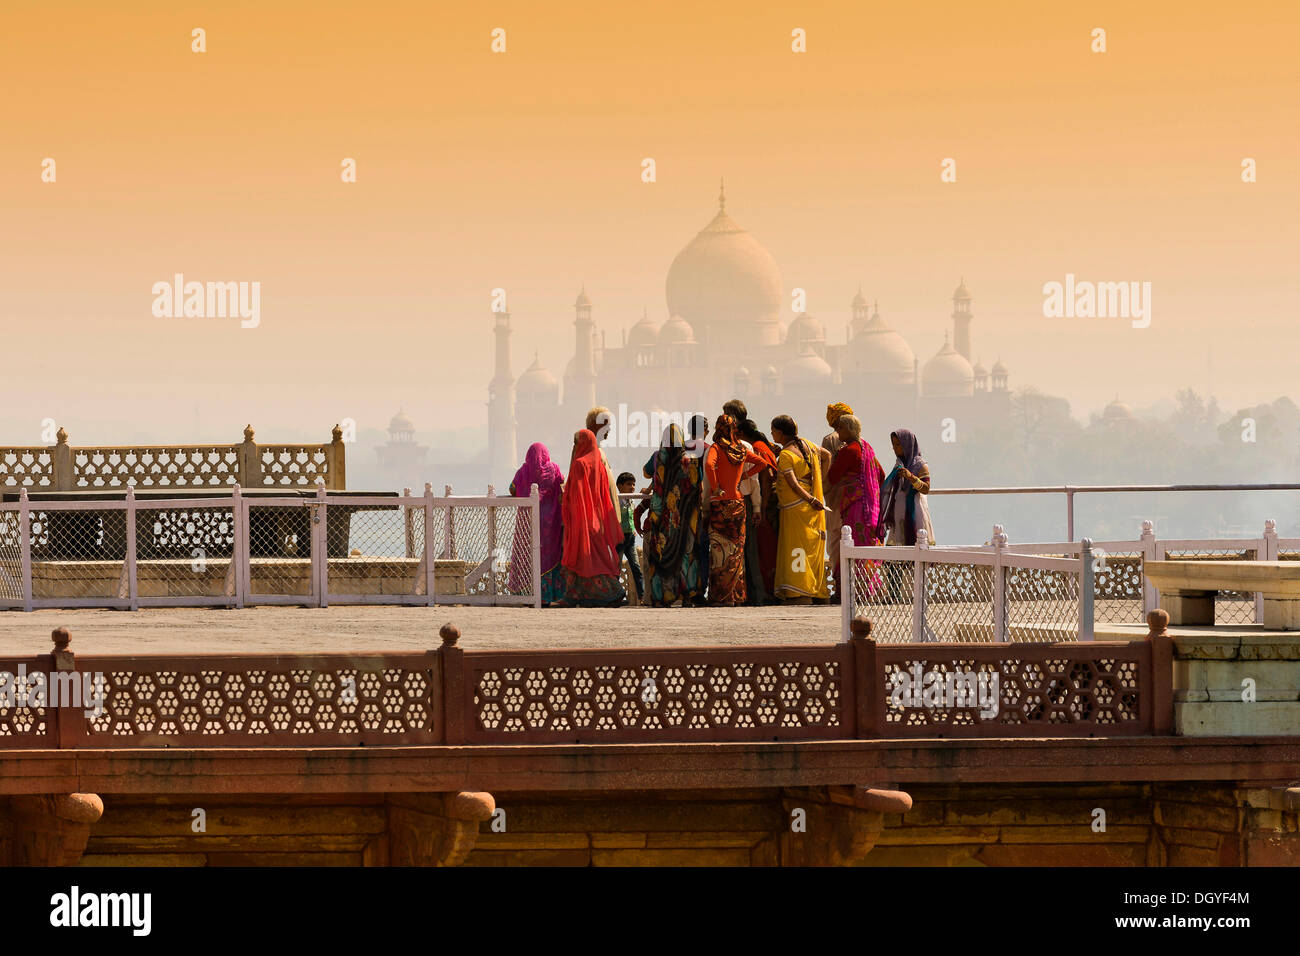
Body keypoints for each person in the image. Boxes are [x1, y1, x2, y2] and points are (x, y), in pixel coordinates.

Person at [704, 414, 772, 606]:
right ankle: (736, 595)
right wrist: (745, 475)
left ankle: (721, 597)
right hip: (738, 504)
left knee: (719, 551)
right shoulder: (740, 449)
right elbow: (762, 463)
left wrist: (716, 485)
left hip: (720, 504)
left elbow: (710, 465)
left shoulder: (717, 448)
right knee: (736, 552)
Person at [638, 423, 705, 606]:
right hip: (685, 517)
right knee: (686, 554)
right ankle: (687, 596)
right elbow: (697, 487)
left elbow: (650, 479)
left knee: (662, 554)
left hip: (664, 518)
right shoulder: (691, 459)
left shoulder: (659, 457)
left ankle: (661, 597)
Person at [558, 429, 626, 607]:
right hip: (598, 520)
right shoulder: (598, 463)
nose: (574, 447)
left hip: (582, 520)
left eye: (576, 443)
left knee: (582, 557)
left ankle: (613, 592)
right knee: (595, 557)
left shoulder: (580, 464)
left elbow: (576, 495)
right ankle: (576, 595)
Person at [770, 415, 831, 604]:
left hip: (796, 507)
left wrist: (809, 498)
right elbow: (827, 456)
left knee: (797, 549)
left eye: (773, 430)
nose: (771, 433)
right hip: (812, 506)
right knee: (811, 547)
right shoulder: (808, 445)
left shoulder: (786, 456)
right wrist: (819, 482)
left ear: (780, 432)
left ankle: (800, 592)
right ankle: (816, 590)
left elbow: (793, 484)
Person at [825, 415, 885, 601]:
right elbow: (881, 475)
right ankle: (868, 590)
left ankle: (850, 591)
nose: (838, 432)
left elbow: (833, 477)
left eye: (841, 428)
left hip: (854, 507)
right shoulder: (867, 448)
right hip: (870, 507)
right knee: (865, 546)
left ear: (850, 430)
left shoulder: (848, 451)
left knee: (851, 547)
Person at [508, 442, 566, 606]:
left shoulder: (523, 471)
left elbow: (512, 488)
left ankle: (528, 594)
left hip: (528, 523)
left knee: (529, 556)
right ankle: (548, 596)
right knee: (549, 556)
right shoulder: (554, 469)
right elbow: (562, 484)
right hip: (551, 524)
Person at [738, 417, 780, 604]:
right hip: (769, 505)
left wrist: (760, 508)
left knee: (758, 551)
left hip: (763, 506)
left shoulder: (756, 448)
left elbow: (766, 477)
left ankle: (760, 594)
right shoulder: (764, 445)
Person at [877, 428, 935, 546]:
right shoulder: (899, 465)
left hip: (915, 515)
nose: (894, 448)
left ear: (907, 445)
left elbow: (926, 488)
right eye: (893, 444)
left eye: (898, 444)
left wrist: (911, 477)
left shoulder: (920, 465)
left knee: (917, 547)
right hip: (899, 516)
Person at [822, 402, 854, 601]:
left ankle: (840, 588)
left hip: (835, 499)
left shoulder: (830, 440)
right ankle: (850, 585)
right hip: (853, 500)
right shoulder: (859, 442)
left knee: (835, 542)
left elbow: (826, 471)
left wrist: (821, 491)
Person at [615, 472, 644, 605]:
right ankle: (616, 596)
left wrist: (633, 529)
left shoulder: (630, 499)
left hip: (630, 539)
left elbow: (631, 516)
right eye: (628, 484)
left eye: (633, 484)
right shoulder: (617, 500)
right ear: (620, 486)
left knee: (636, 567)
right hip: (619, 538)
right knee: (617, 568)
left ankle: (642, 596)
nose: (632, 487)